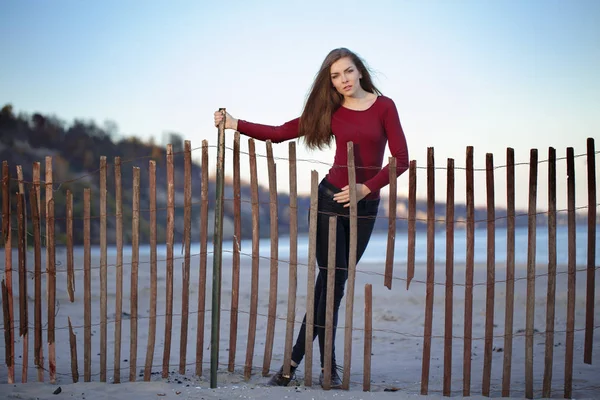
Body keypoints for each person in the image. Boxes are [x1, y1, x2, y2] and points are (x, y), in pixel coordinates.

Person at [213, 47, 409, 389]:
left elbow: (402, 159)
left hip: (365, 207)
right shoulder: (332, 111)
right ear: (330, 82)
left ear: (359, 71)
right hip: (329, 200)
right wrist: (234, 123)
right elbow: (279, 132)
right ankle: (309, 365)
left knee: (334, 284)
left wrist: (366, 188)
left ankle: (300, 364)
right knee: (330, 283)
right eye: (335, 76)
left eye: (347, 72)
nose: (343, 80)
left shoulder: (384, 107)